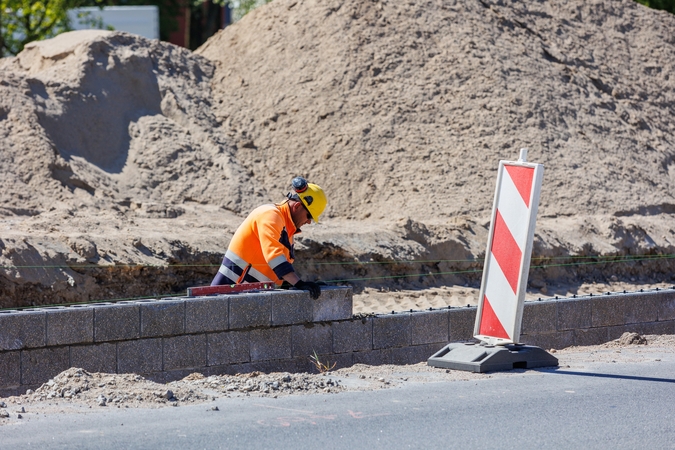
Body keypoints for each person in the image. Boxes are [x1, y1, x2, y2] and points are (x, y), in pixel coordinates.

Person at [211, 176, 327, 300]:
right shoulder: (270, 215)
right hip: (227, 295)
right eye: (309, 216)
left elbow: (278, 271)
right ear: (297, 206)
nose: (309, 222)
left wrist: (301, 285)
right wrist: (299, 284)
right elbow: (274, 256)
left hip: (247, 298)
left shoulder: (287, 229)